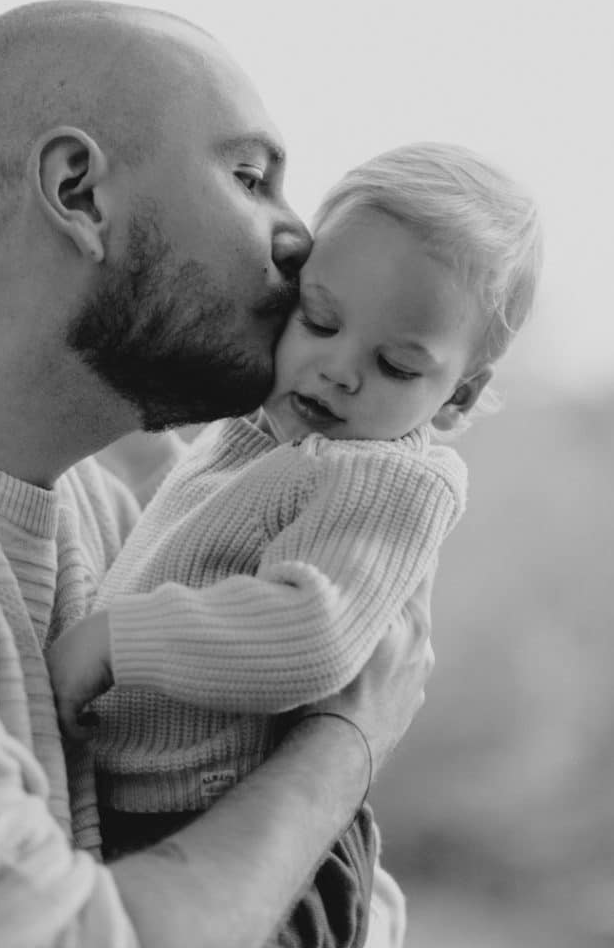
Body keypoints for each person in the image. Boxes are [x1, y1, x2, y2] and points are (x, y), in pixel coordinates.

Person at [0, 0, 433, 948]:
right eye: (251, 178)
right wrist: (345, 744)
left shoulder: (135, 518)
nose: (299, 242)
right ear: (79, 192)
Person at [46, 143, 543, 940]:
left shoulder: (389, 481)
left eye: (393, 364)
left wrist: (117, 640)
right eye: (319, 320)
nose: (338, 371)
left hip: (255, 832)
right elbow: (182, 539)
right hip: (168, 811)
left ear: (459, 396)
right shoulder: (263, 435)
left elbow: (310, 630)